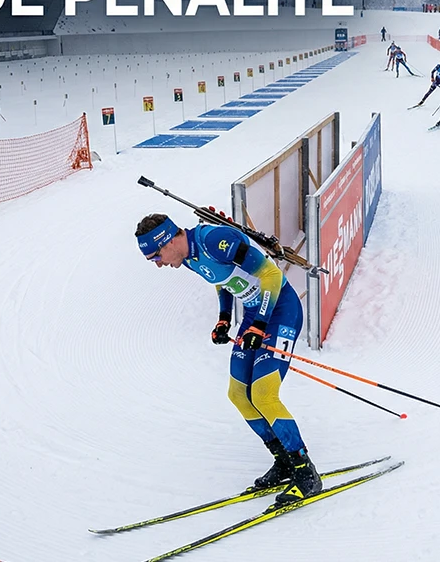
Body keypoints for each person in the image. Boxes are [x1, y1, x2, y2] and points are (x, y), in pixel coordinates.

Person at [135, 214, 322, 505]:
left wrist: (260, 323)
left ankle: (305, 472)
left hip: (280, 308)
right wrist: (223, 319)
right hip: (254, 314)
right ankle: (284, 460)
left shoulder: (211, 240)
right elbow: (221, 280)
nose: (158, 263)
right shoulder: (187, 257)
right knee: (238, 393)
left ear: (169, 239)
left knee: (263, 394)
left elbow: (271, 275)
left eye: (156, 256)